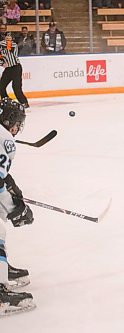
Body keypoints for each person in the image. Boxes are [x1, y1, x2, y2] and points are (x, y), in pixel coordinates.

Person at [0, 97, 36, 316]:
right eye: (17, 123)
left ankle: (1, 270)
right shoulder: (4, 139)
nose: (17, 128)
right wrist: (13, 207)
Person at [0, 33, 29, 109]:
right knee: (1, 86)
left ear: (12, 38)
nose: (8, 38)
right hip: (8, 69)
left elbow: (8, 48)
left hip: (16, 68)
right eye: (7, 37)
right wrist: (2, 63)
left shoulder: (13, 45)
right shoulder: (1, 45)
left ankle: (24, 103)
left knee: (16, 87)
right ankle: (6, 101)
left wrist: (3, 43)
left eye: (9, 37)